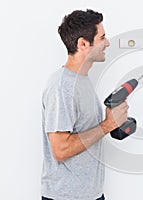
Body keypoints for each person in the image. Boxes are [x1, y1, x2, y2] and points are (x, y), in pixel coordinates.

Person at [41, 9, 129, 200]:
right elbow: (60, 150)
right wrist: (108, 125)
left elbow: (85, 132)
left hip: (91, 195)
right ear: (83, 44)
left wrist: (112, 123)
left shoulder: (81, 81)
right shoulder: (61, 86)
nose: (108, 43)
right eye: (102, 38)